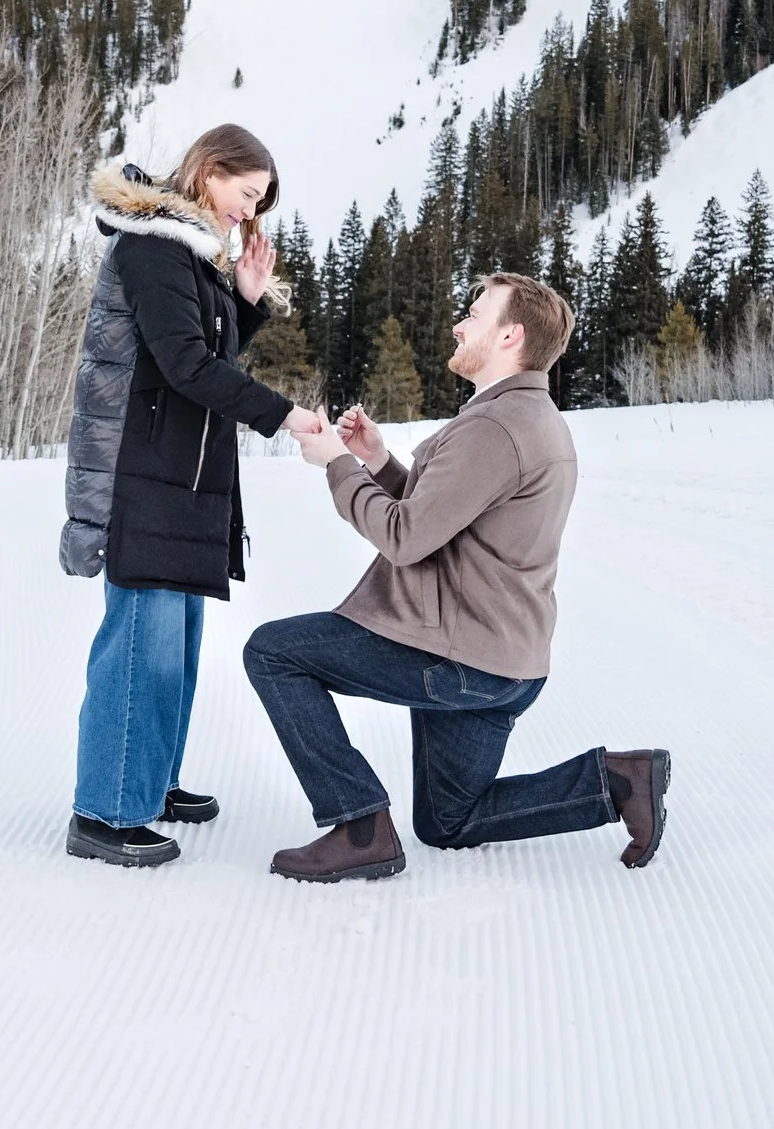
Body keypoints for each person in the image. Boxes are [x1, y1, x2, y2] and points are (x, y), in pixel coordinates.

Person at [243, 272, 669, 882]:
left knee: (275, 653)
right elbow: (449, 519)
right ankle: (620, 782)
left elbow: (406, 537)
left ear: (510, 336)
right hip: (504, 661)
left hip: (462, 658)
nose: (459, 323)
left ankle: (359, 826)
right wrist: (378, 464)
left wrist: (338, 467)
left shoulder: (496, 428)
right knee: (449, 821)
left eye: (475, 313)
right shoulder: (523, 416)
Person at [57, 125, 329, 868]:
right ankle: (107, 810)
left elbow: (202, 353)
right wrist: (285, 415)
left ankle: (151, 780)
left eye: (259, 203)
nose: (250, 214)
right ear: (211, 172)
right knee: (140, 646)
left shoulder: (192, 252)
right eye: (247, 195)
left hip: (181, 475)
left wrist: (244, 302)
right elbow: (183, 366)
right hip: (142, 478)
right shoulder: (151, 245)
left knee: (173, 652)